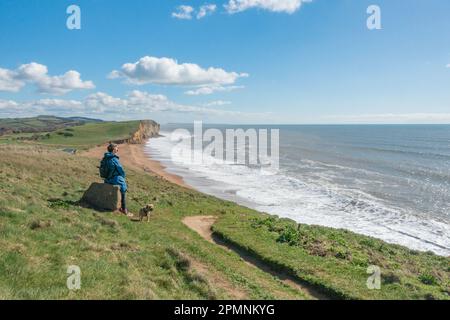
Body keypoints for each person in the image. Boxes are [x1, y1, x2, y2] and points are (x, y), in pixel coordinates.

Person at [102, 143, 130, 215]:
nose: (118, 149)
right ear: (114, 149)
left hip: (107, 179)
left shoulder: (105, 157)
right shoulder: (114, 159)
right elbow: (120, 170)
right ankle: (124, 208)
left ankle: (121, 206)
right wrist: (123, 176)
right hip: (114, 179)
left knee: (121, 184)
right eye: (117, 148)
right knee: (123, 188)